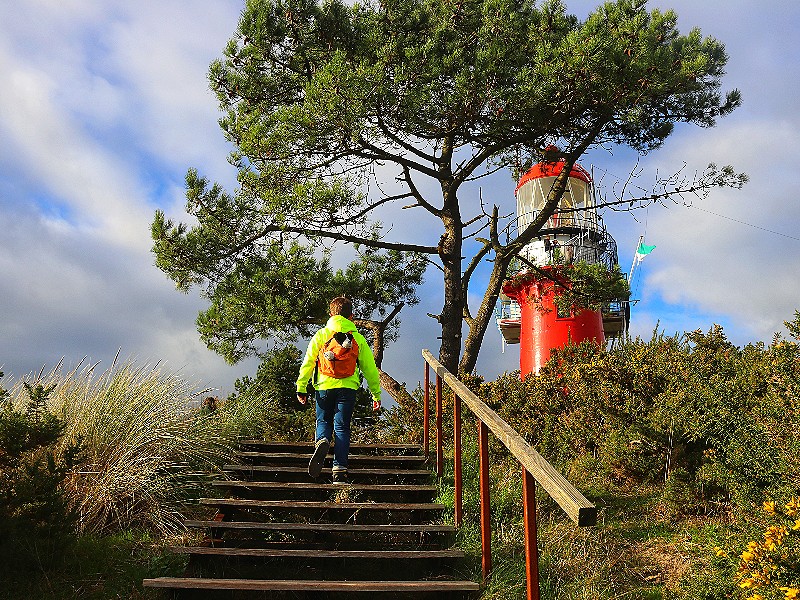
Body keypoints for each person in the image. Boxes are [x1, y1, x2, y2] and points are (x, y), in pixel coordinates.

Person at [296, 297, 381, 484]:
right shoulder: (357, 338)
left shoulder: (321, 335)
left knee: (323, 420)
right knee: (342, 427)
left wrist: (301, 387)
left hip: (324, 387)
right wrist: (376, 394)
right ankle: (339, 472)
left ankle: (323, 441)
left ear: (331, 314)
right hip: (348, 388)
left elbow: (308, 362)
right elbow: (370, 369)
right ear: (351, 316)